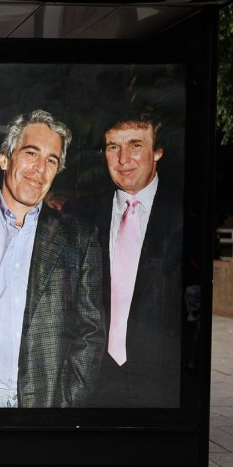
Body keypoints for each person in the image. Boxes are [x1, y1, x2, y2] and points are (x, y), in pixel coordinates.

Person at [0, 110, 104, 408]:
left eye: (51, 160)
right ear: (4, 159)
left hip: (45, 406)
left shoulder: (80, 238)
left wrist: (66, 403)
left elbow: (91, 332)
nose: (40, 168)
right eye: (31, 153)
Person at [85, 117, 183, 407]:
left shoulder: (182, 216)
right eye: (113, 146)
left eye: (135, 145)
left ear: (157, 151)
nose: (123, 159)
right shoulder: (85, 215)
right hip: (94, 378)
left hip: (160, 380)